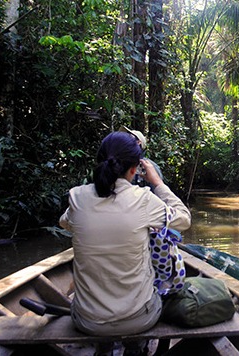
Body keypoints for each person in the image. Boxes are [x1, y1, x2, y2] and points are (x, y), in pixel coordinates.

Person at [59, 131, 191, 353]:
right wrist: (157, 182)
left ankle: (105, 349)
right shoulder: (144, 199)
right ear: (134, 169)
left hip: (87, 320)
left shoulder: (77, 197)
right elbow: (183, 219)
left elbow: (65, 222)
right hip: (138, 319)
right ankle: (136, 347)